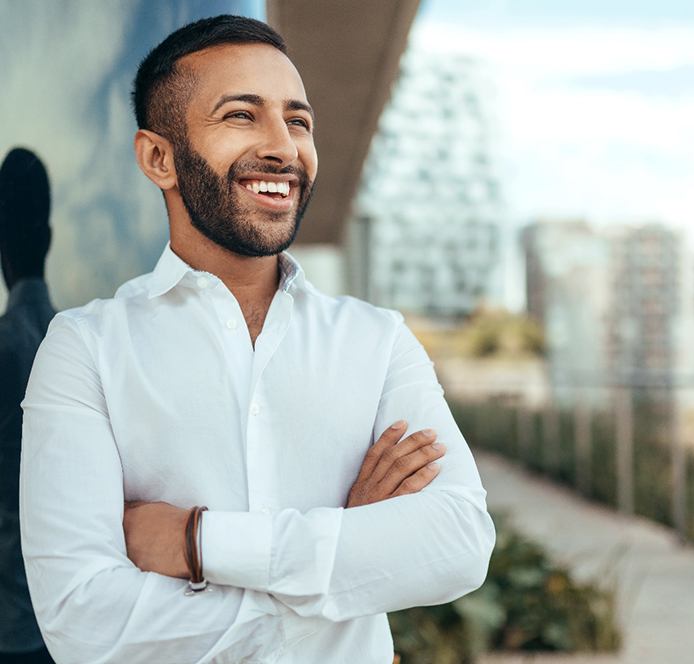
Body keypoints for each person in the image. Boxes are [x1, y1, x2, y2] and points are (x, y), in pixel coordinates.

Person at [20, 14, 495, 664]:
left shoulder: (376, 341)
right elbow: (83, 622)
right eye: (242, 115)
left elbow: (458, 543)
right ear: (159, 158)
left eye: (298, 121)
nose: (283, 147)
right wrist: (345, 562)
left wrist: (198, 544)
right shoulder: (84, 350)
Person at [0, 147, 56, 664]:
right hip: (70, 620)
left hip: (14, 628)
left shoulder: (6, 347)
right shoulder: (78, 345)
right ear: (49, 240)